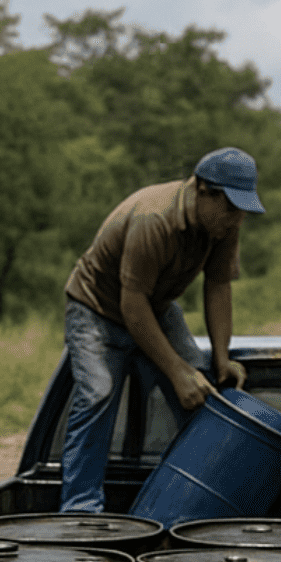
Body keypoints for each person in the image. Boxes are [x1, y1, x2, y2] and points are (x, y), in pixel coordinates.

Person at [59, 147, 264, 513]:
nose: (237, 220)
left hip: (156, 306)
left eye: (243, 211)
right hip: (96, 308)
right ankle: (80, 509)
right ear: (203, 190)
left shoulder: (223, 226)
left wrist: (221, 359)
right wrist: (175, 371)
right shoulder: (153, 218)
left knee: (202, 390)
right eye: (231, 208)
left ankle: (193, 501)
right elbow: (132, 306)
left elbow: (218, 285)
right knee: (99, 393)